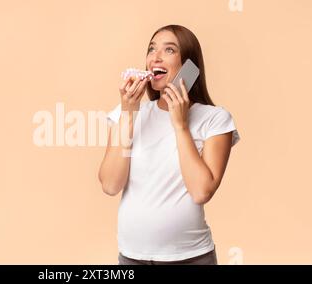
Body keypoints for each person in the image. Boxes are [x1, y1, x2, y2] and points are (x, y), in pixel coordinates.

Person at [98, 25, 240, 265]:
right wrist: (129, 115)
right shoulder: (126, 115)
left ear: (189, 66)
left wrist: (180, 125)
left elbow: (201, 191)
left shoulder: (215, 119)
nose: (156, 56)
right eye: (151, 49)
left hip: (191, 258)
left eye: (169, 50)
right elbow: (111, 184)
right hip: (132, 258)